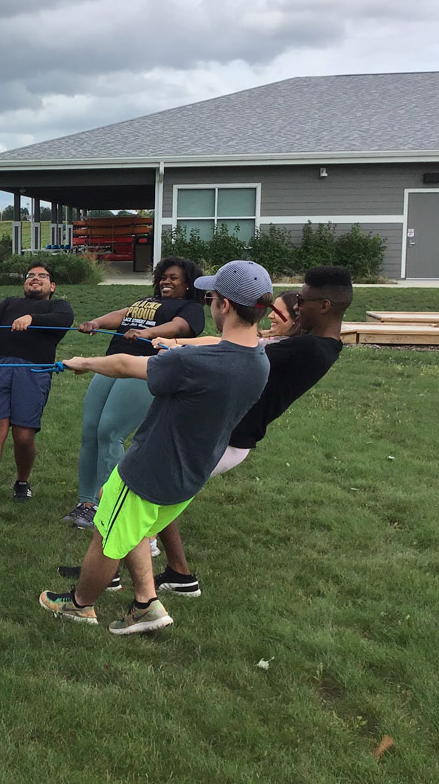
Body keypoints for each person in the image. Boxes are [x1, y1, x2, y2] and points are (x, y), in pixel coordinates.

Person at [39, 260, 273, 635]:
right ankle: (146, 602)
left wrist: (83, 362)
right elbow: (219, 344)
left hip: (151, 468)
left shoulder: (197, 363)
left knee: (106, 534)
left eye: (212, 297)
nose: (210, 302)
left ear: (224, 306)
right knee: (122, 511)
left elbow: (126, 365)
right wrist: (177, 344)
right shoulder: (258, 359)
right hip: (190, 471)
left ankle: (80, 604)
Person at [147, 266, 352, 597]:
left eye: (301, 299)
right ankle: (178, 574)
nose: (296, 305)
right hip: (227, 435)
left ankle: (109, 581)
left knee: (145, 501)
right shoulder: (316, 344)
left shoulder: (307, 349)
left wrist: (178, 348)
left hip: (229, 441)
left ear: (325, 305)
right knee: (162, 493)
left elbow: (233, 349)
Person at [63, 258, 205, 529]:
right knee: (90, 431)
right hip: (112, 363)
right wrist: (95, 322)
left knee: (109, 433)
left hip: (144, 369)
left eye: (174, 278)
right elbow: (122, 314)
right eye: (164, 277)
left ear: (188, 284)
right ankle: (86, 503)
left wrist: (148, 332)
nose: (166, 281)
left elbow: (178, 328)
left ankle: (109, 506)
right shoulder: (146, 301)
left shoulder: (191, 307)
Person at [0, 262, 73, 516]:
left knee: (24, 435)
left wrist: (32, 319)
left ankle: (22, 481)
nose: (35, 278)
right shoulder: (9, 302)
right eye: (30, 275)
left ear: (52, 286)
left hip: (34, 370)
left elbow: (63, 320)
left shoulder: (58, 306)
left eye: (42, 276)